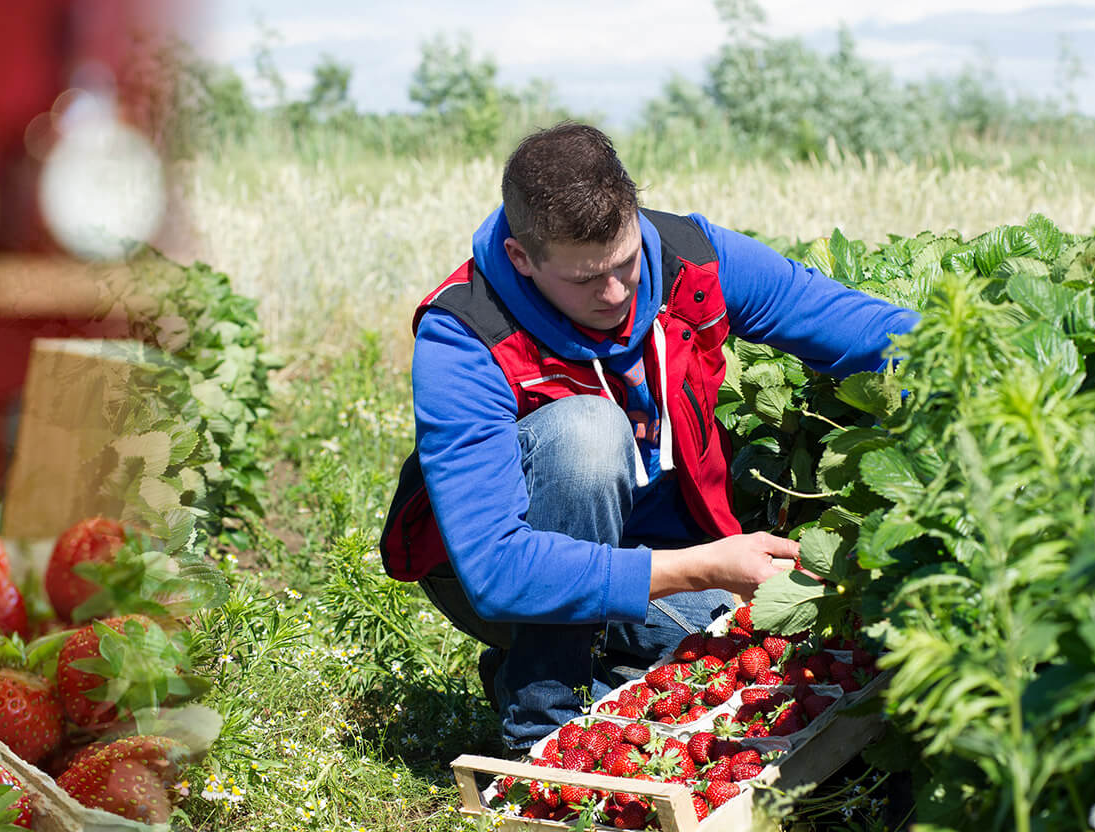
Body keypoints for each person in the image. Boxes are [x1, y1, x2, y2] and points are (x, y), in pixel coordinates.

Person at [377, 122, 917, 752]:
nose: (615, 293)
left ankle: (608, 673)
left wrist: (972, 353)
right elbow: (497, 568)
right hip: (506, 573)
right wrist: (700, 568)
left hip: (662, 549)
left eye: (626, 263)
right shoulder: (465, 333)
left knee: (767, 646)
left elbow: (853, 327)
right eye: (585, 280)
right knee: (588, 433)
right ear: (523, 260)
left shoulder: (690, 256)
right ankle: (541, 726)